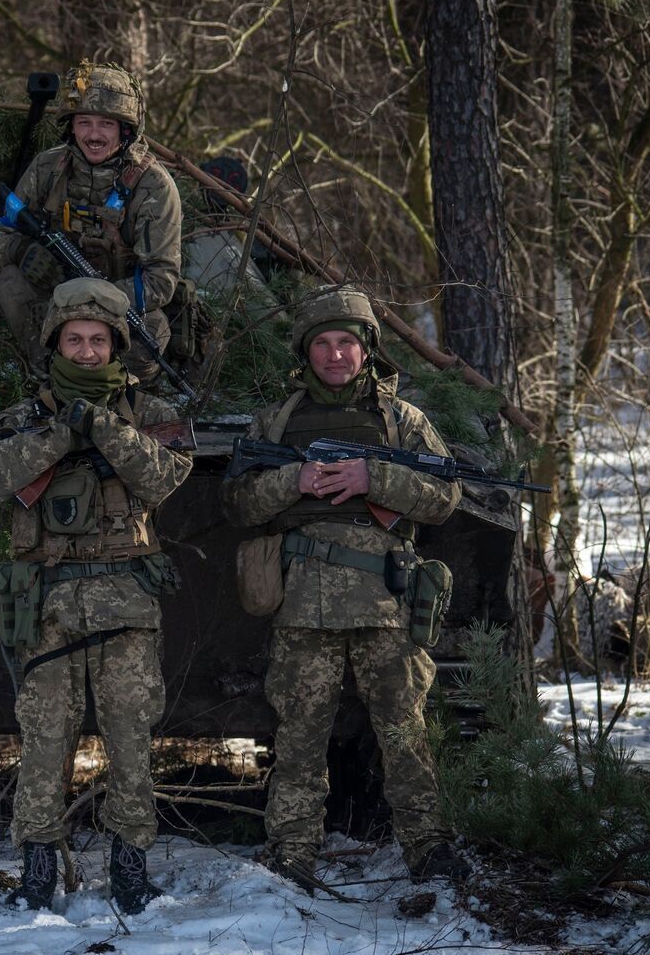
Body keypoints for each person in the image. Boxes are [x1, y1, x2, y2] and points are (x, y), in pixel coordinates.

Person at [222, 285, 472, 891]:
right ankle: (291, 851)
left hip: (388, 604)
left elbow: (445, 497)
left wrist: (372, 477)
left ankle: (428, 845)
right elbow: (237, 503)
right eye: (323, 344)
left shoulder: (403, 421)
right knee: (300, 737)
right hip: (303, 605)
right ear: (305, 351)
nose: (335, 355)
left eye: (347, 343)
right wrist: (295, 481)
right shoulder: (276, 421)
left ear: (367, 350)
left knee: (405, 733)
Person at [0, 277, 192, 914]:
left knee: (131, 737)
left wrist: (103, 428)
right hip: (47, 604)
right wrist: (59, 436)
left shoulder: (149, 413)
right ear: (55, 344)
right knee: (44, 738)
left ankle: (130, 869)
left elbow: (167, 476)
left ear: (116, 345)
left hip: (126, 603)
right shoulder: (27, 417)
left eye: (98, 340)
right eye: (75, 340)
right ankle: (38, 870)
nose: (87, 352)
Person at [0, 61, 182, 384]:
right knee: (10, 281)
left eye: (106, 124)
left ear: (125, 129)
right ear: (71, 126)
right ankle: (48, 376)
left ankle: (114, 387)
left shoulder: (154, 186)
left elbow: (161, 281)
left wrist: (93, 300)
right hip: (56, 301)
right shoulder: (48, 168)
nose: (93, 135)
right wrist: (21, 251)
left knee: (150, 338)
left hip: (119, 308)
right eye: (84, 122)